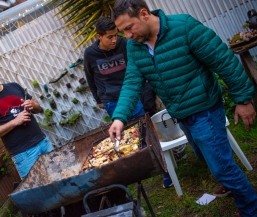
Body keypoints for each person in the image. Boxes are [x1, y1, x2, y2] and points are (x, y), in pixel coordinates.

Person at [108, 0, 257, 216]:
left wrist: (243, 100)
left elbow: (223, 60)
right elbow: (132, 82)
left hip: (205, 109)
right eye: (123, 32)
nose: (127, 36)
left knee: (221, 168)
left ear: (144, 14)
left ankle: (250, 208)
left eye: (129, 27)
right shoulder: (135, 46)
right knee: (205, 156)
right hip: (181, 114)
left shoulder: (184, 27)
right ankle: (229, 183)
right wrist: (119, 118)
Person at [84, 16, 172, 189]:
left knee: (146, 134)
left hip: (132, 96)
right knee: (125, 139)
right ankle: (138, 172)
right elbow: (90, 78)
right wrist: (98, 99)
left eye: (115, 35)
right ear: (99, 36)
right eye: (109, 37)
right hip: (111, 101)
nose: (114, 40)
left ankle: (166, 171)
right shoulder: (90, 54)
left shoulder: (126, 44)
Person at [0, 63, 54, 180]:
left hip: (43, 142)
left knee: (61, 176)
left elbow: (38, 109)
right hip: (24, 154)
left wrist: (33, 105)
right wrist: (15, 122)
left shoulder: (14, 86)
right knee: (39, 190)